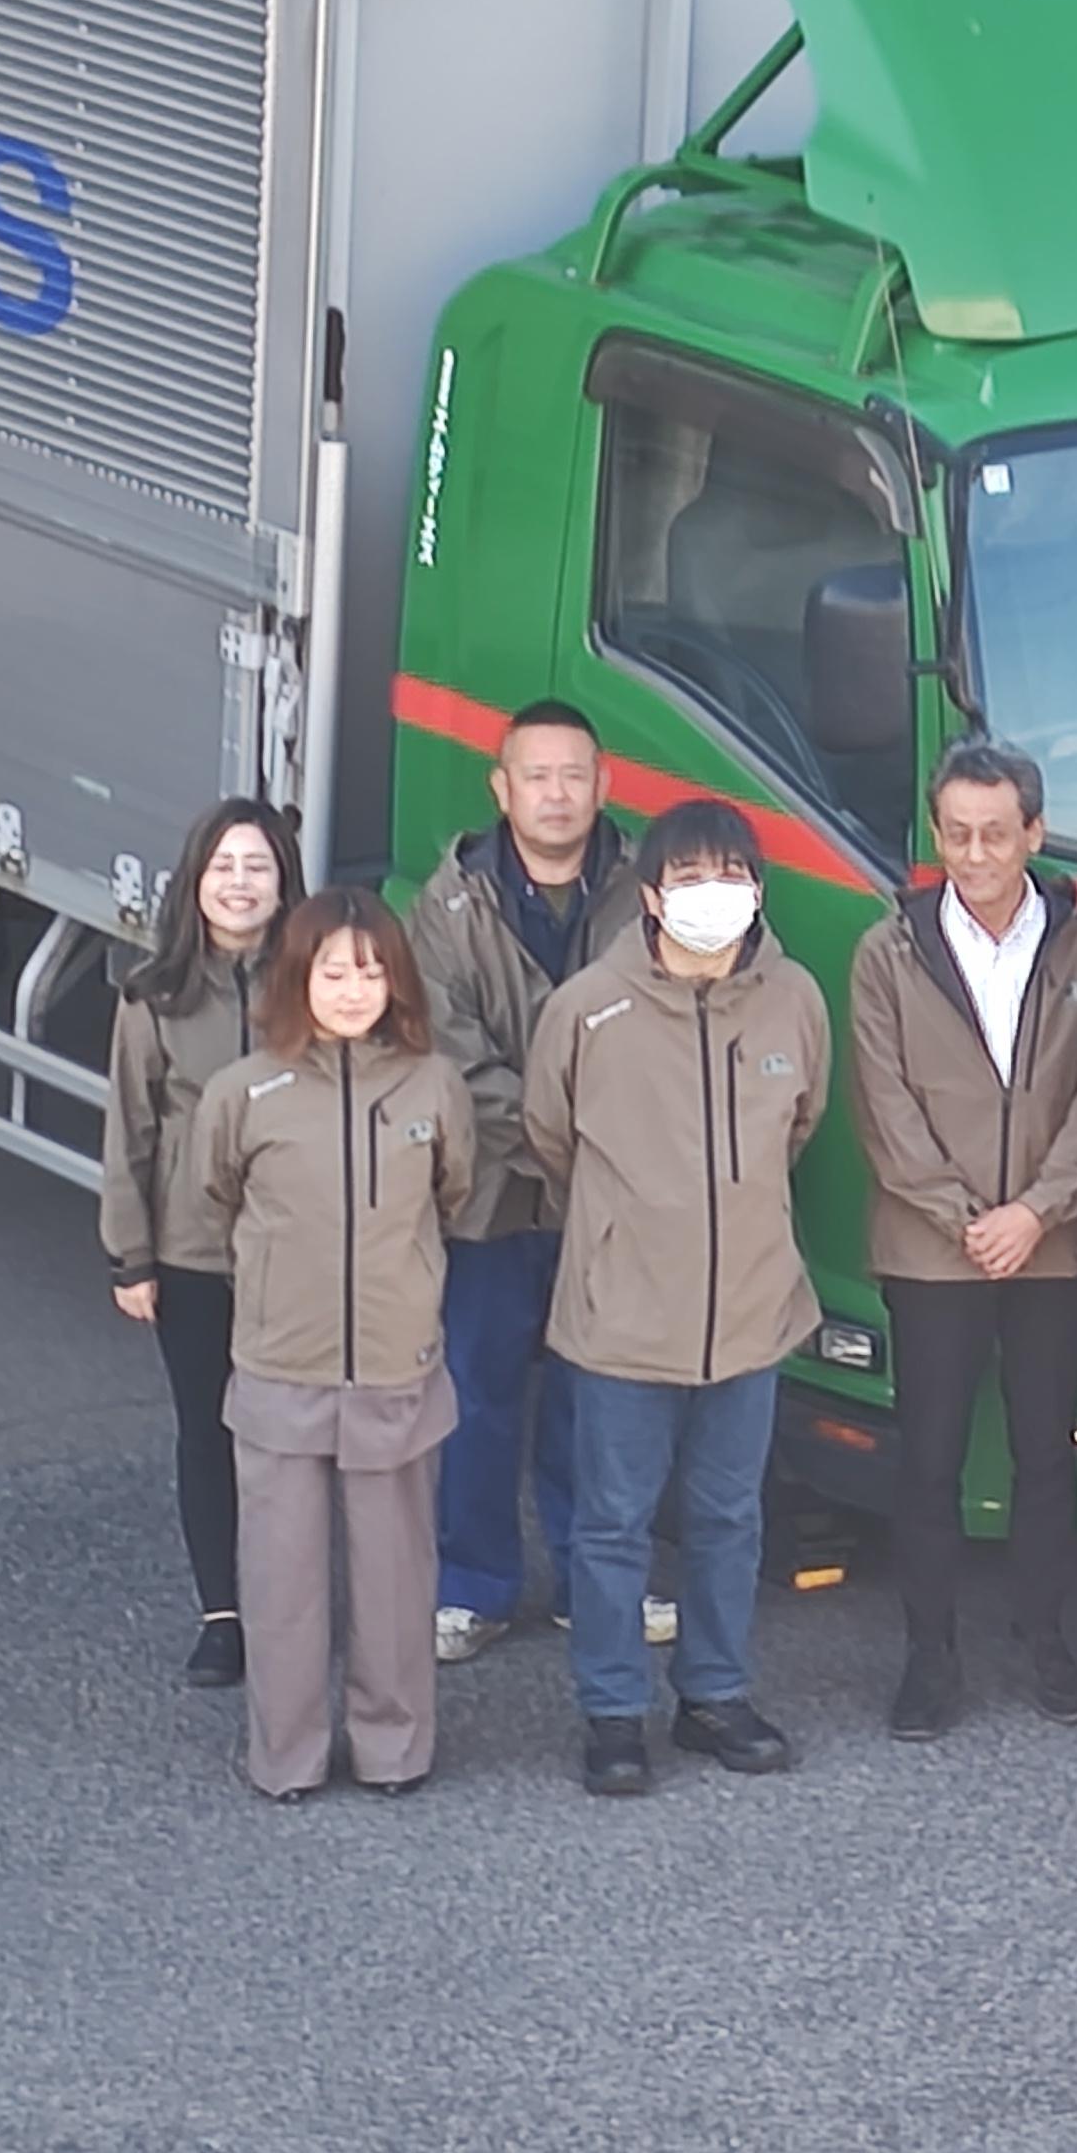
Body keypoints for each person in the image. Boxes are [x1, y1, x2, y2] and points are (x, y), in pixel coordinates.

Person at [526, 799, 831, 1797]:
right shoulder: (588, 1009)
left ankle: (714, 1695)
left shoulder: (792, 998)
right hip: (622, 1314)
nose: (716, 897)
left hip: (748, 1310)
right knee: (612, 1526)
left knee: (729, 1518)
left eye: (733, 876)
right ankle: (613, 1715)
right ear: (652, 896)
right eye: (692, 879)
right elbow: (550, 1137)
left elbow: (802, 1124)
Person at [848, 740, 1077, 1740]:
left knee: (1047, 1453)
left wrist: (1036, 1211)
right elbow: (884, 1106)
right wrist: (964, 1215)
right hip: (933, 1248)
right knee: (930, 1459)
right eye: (955, 834)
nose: (974, 855)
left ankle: (1046, 1639)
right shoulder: (886, 951)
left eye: (995, 835)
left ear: (1033, 836)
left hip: (1051, 1242)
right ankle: (930, 1657)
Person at [195, 892, 475, 1799]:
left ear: (395, 979)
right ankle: (288, 1757)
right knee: (282, 1581)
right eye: (332, 970)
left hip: (395, 1361)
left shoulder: (432, 1083)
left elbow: (454, 1194)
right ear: (296, 977)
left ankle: (393, 1750)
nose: (353, 989)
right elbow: (217, 1195)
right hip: (282, 1364)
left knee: (395, 1579)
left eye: (370, 970)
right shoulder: (245, 1091)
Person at [406, 698, 642, 1667]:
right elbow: (450, 1058)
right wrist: (564, 1141)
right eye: (535, 777)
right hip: (494, 1195)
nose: (556, 794)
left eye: (573, 775)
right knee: (478, 1392)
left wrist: (612, 1151)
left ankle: (596, 1585)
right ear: (501, 790)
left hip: (614, 1198)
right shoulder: (448, 905)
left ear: (604, 784)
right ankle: (473, 1588)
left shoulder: (646, 891)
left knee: (602, 1400)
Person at [100, 796, 305, 1690]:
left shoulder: (322, 981)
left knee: (296, 1441)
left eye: (257, 866)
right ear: (194, 882)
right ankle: (223, 1615)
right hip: (193, 1256)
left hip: (302, 1255)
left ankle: (294, 1607)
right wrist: (131, 1256)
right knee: (208, 1434)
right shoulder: (153, 996)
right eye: (223, 866)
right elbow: (131, 1133)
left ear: (285, 882)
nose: (239, 883)